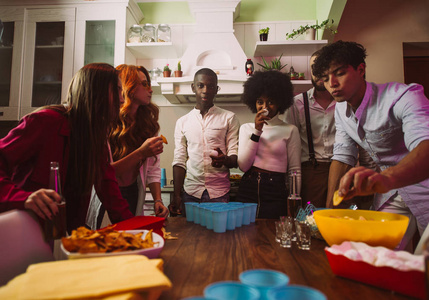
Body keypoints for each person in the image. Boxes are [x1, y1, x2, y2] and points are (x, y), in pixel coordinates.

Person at [312, 40, 429, 249]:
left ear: (361, 69)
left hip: (423, 188)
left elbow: (426, 147)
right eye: (325, 78)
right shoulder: (340, 109)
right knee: (375, 255)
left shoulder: (403, 97)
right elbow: (342, 155)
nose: (332, 84)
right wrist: (330, 211)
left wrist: (385, 178)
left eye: (339, 73)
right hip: (392, 194)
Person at [0, 63, 134, 233]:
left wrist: (138, 230)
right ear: (95, 91)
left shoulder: (94, 137)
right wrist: (23, 198)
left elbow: (109, 190)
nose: (122, 100)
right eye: (117, 91)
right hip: (23, 234)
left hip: (63, 235)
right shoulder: (44, 122)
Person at [169, 68, 239, 215]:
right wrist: (177, 195)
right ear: (193, 87)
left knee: (218, 237)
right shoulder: (182, 122)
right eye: (201, 85)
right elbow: (179, 160)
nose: (205, 90)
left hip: (219, 193)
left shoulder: (229, 118)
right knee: (189, 237)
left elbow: (235, 158)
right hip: (190, 193)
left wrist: (224, 159)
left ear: (216, 89)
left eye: (211, 86)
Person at [237, 70, 301, 218]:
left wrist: (295, 202)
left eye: (270, 101)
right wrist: (257, 131)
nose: (265, 107)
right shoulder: (246, 128)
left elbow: (294, 171)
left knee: (272, 235)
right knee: (245, 235)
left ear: (280, 103)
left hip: (276, 191)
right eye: (260, 102)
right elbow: (243, 166)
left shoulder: (290, 130)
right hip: (248, 189)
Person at [110, 64, 169, 218]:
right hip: (110, 193)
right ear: (127, 86)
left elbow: (153, 169)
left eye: (148, 84)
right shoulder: (109, 122)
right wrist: (141, 152)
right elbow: (106, 174)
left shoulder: (148, 125)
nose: (150, 90)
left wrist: (158, 200)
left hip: (134, 192)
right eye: (144, 84)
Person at [280, 50, 336, 208]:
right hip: (311, 173)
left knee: (342, 223)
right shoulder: (297, 103)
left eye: (323, 67)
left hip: (342, 171)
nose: (318, 73)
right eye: (314, 68)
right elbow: (289, 146)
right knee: (310, 222)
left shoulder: (345, 102)